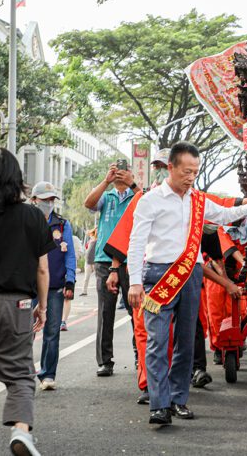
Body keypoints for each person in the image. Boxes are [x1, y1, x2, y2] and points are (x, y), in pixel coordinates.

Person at [127, 141, 247, 425]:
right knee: (156, 341)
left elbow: (225, 215)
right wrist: (134, 281)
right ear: (171, 167)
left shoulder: (198, 200)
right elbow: (136, 242)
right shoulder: (150, 200)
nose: (191, 177)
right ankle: (159, 404)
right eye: (186, 171)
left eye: (195, 171)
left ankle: (178, 399)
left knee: (186, 342)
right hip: (158, 276)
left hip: (191, 276)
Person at [0, 148, 54, 456]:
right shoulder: (32, 216)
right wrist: (42, 306)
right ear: (16, 179)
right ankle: (21, 431)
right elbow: (42, 268)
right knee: (19, 374)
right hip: (15, 305)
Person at [84, 161, 141, 377]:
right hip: (103, 260)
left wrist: (132, 183)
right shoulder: (106, 197)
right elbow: (88, 203)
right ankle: (105, 361)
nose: (120, 174)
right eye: (116, 170)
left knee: (135, 309)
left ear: (131, 173)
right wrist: (105, 181)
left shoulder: (136, 195)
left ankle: (139, 355)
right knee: (106, 312)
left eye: (124, 170)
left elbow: (148, 202)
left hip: (130, 260)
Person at [29, 182, 76, 391]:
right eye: (44, 200)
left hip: (55, 286)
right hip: (28, 286)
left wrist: (70, 281)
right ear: (33, 200)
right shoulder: (25, 222)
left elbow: (71, 255)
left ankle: (48, 374)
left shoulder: (62, 225)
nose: (48, 203)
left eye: (51, 200)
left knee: (52, 332)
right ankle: (24, 372)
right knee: (25, 331)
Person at [61, 233, 83, 331]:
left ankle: (63, 321)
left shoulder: (74, 239)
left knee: (67, 297)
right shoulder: (56, 236)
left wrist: (72, 261)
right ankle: (61, 321)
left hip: (69, 271)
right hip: (59, 271)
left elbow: (80, 253)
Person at [79, 228, 97, 297]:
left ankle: (100, 291)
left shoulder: (97, 240)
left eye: (91, 234)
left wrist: (94, 231)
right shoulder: (89, 241)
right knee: (86, 278)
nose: (90, 235)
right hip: (88, 261)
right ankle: (84, 291)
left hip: (95, 262)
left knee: (97, 278)